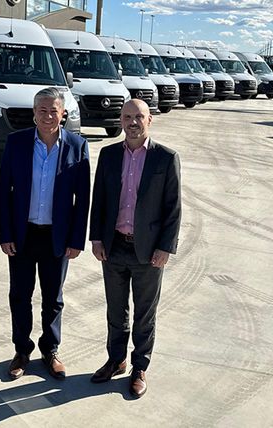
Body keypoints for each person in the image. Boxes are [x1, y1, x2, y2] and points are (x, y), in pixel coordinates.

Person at [88, 99, 181, 398]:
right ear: (120, 120)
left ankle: (140, 366)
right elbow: (99, 199)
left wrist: (165, 248)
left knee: (144, 314)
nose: (132, 122)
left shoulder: (166, 158)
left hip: (148, 252)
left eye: (138, 117)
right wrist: (97, 238)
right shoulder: (109, 154)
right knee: (116, 311)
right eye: (127, 116)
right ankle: (116, 360)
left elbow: (173, 208)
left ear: (149, 120)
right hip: (113, 247)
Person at [0, 87, 91, 380]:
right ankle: (22, 350)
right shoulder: (17, 143)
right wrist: (5, 234)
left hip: (57, 237)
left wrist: (76, 240)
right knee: (20, 296)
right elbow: (4, 192)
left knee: (53, 298)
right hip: (23, 235)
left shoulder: (77, 146)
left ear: (63, 114)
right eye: (42, 110)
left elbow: (82, 198)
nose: (48, 116)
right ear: (33, 113)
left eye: (54, 111)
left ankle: (50, 350)